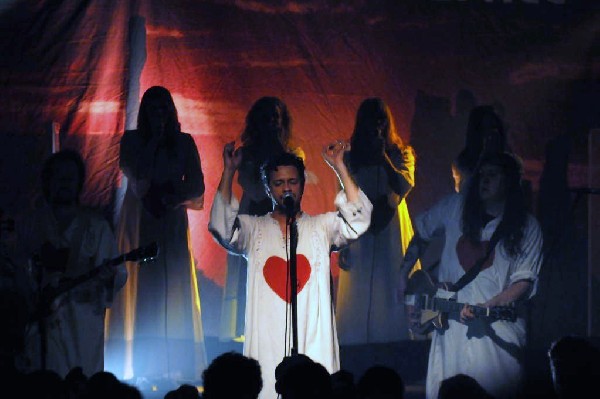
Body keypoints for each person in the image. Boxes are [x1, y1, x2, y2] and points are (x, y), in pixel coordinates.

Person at [208, 142, 373, 399]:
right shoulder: (254, 229)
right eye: (278, 183)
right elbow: (222, 228)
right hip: (268, 335)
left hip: (312, 334)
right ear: (268, 188)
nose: (287, 188)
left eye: (293, 181)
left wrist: (340, 166)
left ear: (302, 184)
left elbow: (358, 220)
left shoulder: (322, 226)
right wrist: (229, 171)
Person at [400, 151, 543, 399]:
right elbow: (421, 232)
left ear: (509, 181)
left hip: (496, 334)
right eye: (481, 175)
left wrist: (489, 305)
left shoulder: (527, 227)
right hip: (449, 333)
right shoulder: (455, 206)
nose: (484, 181)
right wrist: (404, 275)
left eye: (493, 175)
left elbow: (524, 281)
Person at [105, 86, 207, 384]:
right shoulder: (132, 141)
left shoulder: (185, 143)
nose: (158, 114)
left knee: (172, 284)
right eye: (152, 109)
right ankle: (137, 362)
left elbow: (198, 185)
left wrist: (176, 198)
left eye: (163, 109)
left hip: (170, 219)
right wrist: (153, 142)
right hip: (140, 219)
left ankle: (175, 363)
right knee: (141, 283)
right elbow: (134, 170)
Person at [17, 149, 127, 378]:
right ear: (49, 182)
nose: (65, 183)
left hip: (82, 323)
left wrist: (107, 278)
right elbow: (19, 268)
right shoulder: (33, 223)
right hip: (42, 324)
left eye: (71, 177)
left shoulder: (96, 227)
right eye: (59, 177)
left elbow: (118, 274)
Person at [335, 97, 416, 344]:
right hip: (361, 228)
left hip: (390, 226)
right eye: (372, 120)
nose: (377, 125)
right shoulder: (350, 156)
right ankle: (358, 347)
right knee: (361, 289)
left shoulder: (402, 153)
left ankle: (395, 344)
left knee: (389, 283)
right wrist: (343, 241)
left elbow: (404, 184)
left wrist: (384, 158)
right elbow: (345, 197)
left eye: (381, 120)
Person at [221, 96, 302, 342]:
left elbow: (293, 190)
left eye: (276, 117)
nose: (273, 123)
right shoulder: (245, 155)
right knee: (252, 273)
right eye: (267, 118)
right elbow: (255, 190)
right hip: (254, 218)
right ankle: (251, 330)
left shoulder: (293, 153)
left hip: (282, 222)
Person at [451, 105, 509, 193]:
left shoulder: (508, 163)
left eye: (494, 129)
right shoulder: (462, 163)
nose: (490, 136)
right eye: (485, 129)